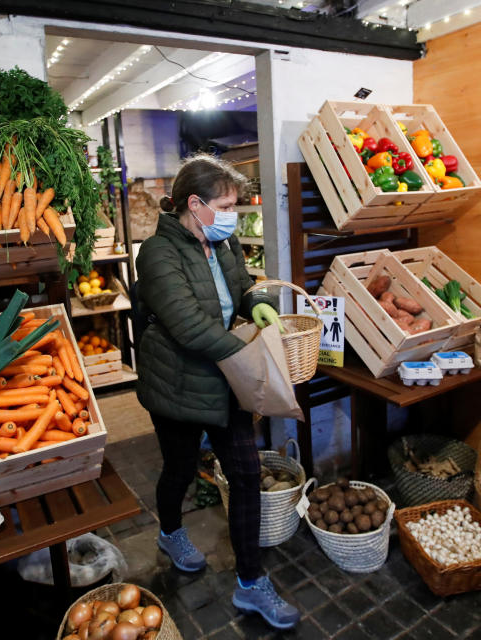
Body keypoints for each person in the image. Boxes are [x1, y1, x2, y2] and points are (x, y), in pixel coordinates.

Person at [134, 154, 301, 630]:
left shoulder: (221, 243)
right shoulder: (158, 254)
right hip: (179, 384)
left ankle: (251, 583)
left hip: (224, 380)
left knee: (246, 474)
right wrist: (248, 357)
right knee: (180, 468)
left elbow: (243, 286)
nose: (232, 212)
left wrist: (259, 304)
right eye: (225, 204)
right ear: (195, 203)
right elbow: (187, 326)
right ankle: (169, 530)